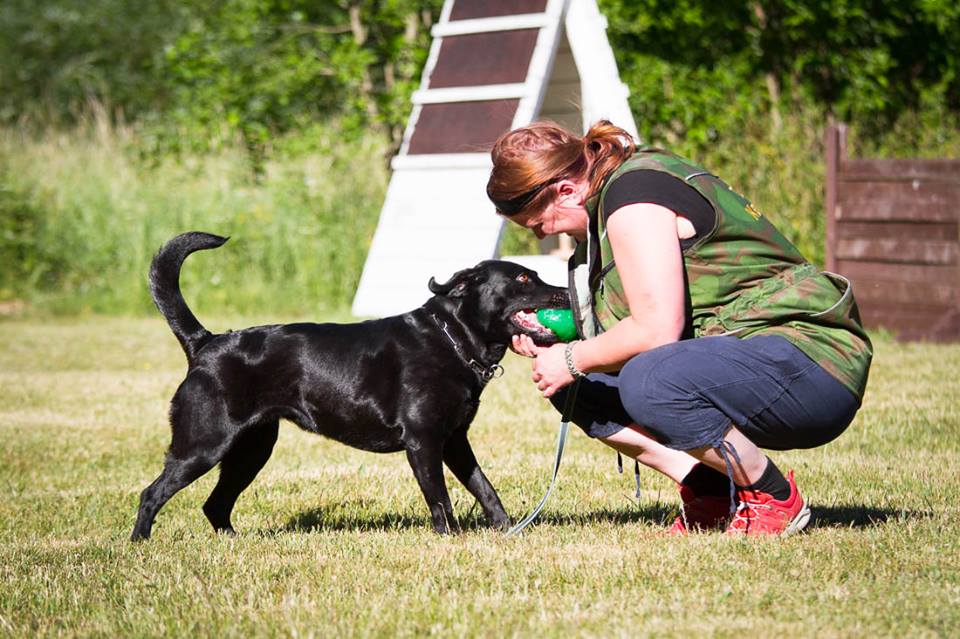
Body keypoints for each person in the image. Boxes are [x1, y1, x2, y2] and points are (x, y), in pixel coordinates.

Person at [486, 120, 872, 536]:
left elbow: (656, 331)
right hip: (750, 356)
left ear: (566, 191)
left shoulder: (633, 202)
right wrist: (557, 344)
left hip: (812, 362)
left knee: (648, 379)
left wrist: (571, 357)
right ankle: (713, 489)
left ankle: (772, 495)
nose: (541, 237)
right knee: (580, 385)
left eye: (539, 225)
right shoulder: (607, 205)